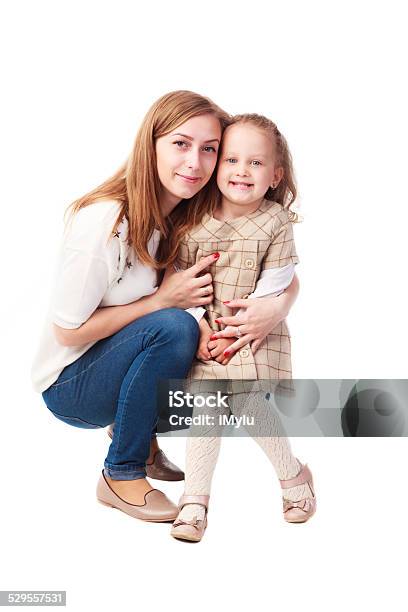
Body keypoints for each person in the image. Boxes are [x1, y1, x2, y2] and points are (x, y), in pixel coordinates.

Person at [31, 92, 300, 525]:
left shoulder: (186, 215)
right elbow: (68, 332)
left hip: (119, 364)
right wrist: (161, 302)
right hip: (71, 385)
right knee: (175, 328)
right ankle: (120, 473)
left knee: (215, 373)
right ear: (151, 144)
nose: (195, 162)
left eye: (210, 149)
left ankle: (143, 439)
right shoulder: (105, 222)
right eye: (180, 143)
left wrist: (275, 309)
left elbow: (281, 271)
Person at [170, 113, 316, 542]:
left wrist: (247, 322)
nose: (241, 171)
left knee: (250, 407)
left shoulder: (275, 220)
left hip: (252, 329)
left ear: (275, 174)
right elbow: (182, 278)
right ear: (217, 167)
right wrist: (197, 327)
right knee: (206, 412)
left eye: (255, 163)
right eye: (232, 159)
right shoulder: (193, 221)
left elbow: (279, 277)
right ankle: (196, 501)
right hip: (205, 333)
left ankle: (292, 478)